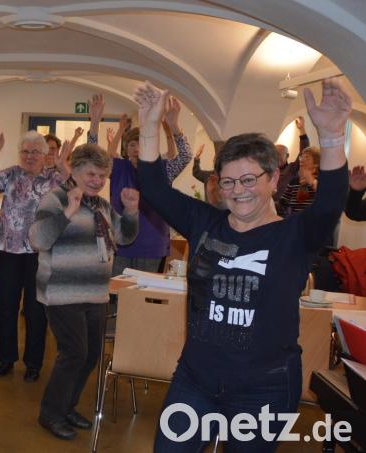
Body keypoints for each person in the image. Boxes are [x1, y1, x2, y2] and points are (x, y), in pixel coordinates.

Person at [132, 79, 350, 452]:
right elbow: (154, 189)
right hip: (195, 380)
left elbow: (329, 203)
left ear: (274, 178)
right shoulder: (204, 223)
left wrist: (331, 137)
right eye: (228, 181)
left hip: (264, 388)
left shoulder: (294, 236)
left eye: (249, 179)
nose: (238, 190)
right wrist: (151, 127)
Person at [30, 144, 139, 440]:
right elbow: (38, 240)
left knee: (90, 355)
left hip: (95, 293)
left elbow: (124, 237)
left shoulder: (102, 205)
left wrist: (130, 210)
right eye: (91, 173)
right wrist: (67, 212)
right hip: (62, 293)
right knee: (73, 353)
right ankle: (50, 414)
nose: (97, 180)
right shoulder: (55, 199)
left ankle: (66, 407)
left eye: (102, 175)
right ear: (74, 170)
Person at [0, 125, 72, 382]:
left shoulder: (54, 179)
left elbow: (76, 191)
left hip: (40, 253)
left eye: (35, 152)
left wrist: (63, 164)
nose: (30, 156)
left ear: (45, 154)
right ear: (19, 154)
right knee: (6, 306)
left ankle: (33, 363)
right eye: (25, 151)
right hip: (8, 251)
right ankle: (6, 358)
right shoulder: (11, 175)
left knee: (36, 309)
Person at [87, 93, 192, 274]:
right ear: (126, 149)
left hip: (153, 245)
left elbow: (185, 156)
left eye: (142, 143)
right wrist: (95, 122)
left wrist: (173, 126)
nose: (137, 148)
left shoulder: (162, 169)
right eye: (132, 144)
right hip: (121, 242)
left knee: (145, 298)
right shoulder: (118, 167)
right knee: (117, 296)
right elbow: (94, 157)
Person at [278, 146, 320, 216]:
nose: (302, 160)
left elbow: (327, 196)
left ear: (316, 164)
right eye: (301, 157)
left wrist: (311, 181)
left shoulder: (323, 180)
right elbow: (283, 203)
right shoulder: (294, 182)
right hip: (295, 223)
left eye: (307, 157)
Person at [191, 144, 224, 209]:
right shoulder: (208, 176)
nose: (216, 162)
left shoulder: (228, 176)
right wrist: (197, 157)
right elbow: (196, 172)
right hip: (210, 210)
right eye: (215, 159)